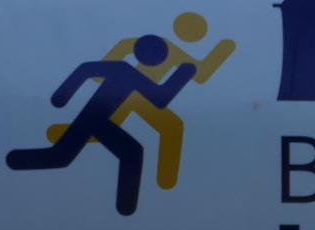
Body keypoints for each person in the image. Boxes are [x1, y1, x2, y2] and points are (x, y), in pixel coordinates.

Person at [5, 33, 198, 215]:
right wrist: (61, 96)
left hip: (99, 120)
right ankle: (13, 160)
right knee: (62, 156)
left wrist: (184, 73)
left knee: (127, 152)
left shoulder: (128, 72)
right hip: (93, 118)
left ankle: (126, 206)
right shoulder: (124, 70)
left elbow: (159, 99)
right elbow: (86, 70)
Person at [41, 11, 235, 192]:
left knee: (171, 127)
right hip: (129, 98)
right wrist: (184, 73)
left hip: (140, 98)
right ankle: (78, 136)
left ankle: (165, 180)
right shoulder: (136, 54)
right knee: (73, 152)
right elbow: (161, 95)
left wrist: (223, 49)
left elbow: (201, 75)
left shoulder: (169, 51)